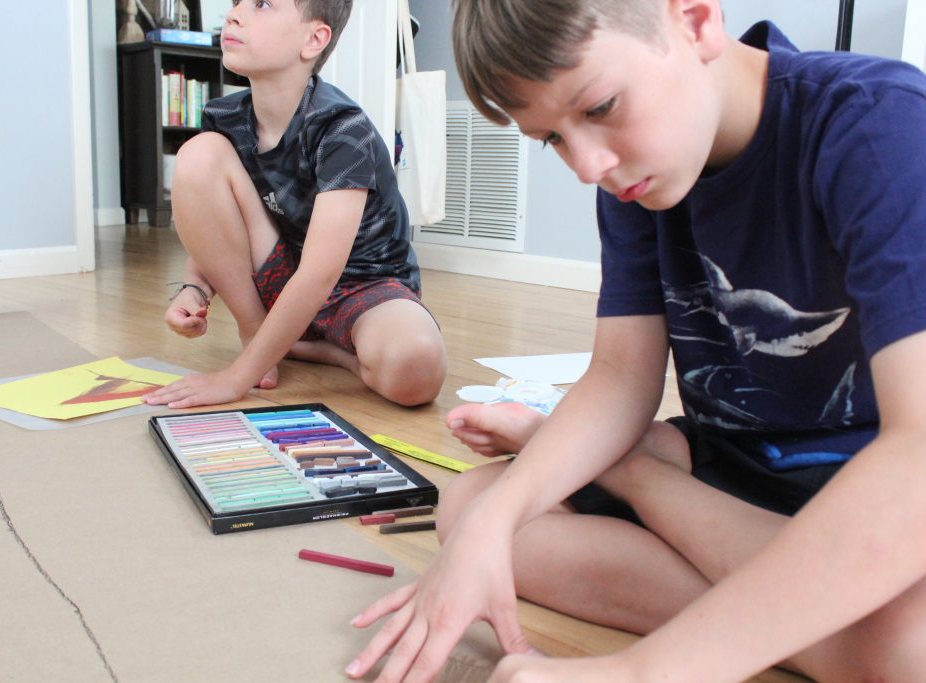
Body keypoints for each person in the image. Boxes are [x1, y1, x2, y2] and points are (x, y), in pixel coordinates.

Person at [345, 0, 926, 681]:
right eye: (552, 139)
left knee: (908, 644)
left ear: (697, 20)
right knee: (471, 510)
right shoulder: (632, 182)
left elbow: (913, 459)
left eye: (601, 106)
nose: (588, 166)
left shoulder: (877, 126)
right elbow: (621, 375)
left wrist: (643, 669)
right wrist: (495, 522)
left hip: (870, 486)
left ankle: (660, 501)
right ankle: (798, 612)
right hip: (733, 464)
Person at [143, 0, 446, 410]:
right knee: (198, 155)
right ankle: (258, 333)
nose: (234, 14)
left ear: (314, 39)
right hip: (281, 273)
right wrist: (195, 288)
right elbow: (218, 224)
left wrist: (235, 381)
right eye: (235, 3)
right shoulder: (224, 118)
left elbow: (321, 274)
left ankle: (318, 350)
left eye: (262, 4)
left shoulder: (342, 129)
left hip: (364, 285)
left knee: (417, 370)